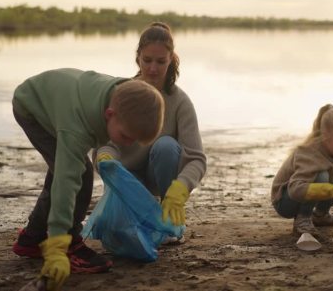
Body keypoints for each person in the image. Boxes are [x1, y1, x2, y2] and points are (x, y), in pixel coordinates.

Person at [11, 68, 164, 290]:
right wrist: (57, 245)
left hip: (60, 99)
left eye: (135, 140)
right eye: (125, 136)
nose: (128, 144)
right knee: (79, 175)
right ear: (109, 115)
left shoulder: (124, 97)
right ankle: (68, 242)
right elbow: (66, 182)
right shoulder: (76, 128)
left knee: (64, 166)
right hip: (31, 106)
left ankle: (31, 238)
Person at [94, 22, 206, 234]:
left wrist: (181, 188)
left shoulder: (180, 102)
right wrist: (105, 159)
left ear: (171, 60)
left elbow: (197, 159)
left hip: (160, 178)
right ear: (137, 58)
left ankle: (169, 213)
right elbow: (104, 144)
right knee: (123, 231)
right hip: (126, 178)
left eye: (161, 61)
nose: (153, 69)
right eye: (147, 60)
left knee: (166, 146)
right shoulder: (121, 94)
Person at [271, 104, 333, 238]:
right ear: (325, 136)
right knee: (321, 176)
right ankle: (303, 219)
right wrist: (332, 190)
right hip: (285, 201)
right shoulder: (309, 152)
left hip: (299, 194)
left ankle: (320, 215)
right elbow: (295, 189)